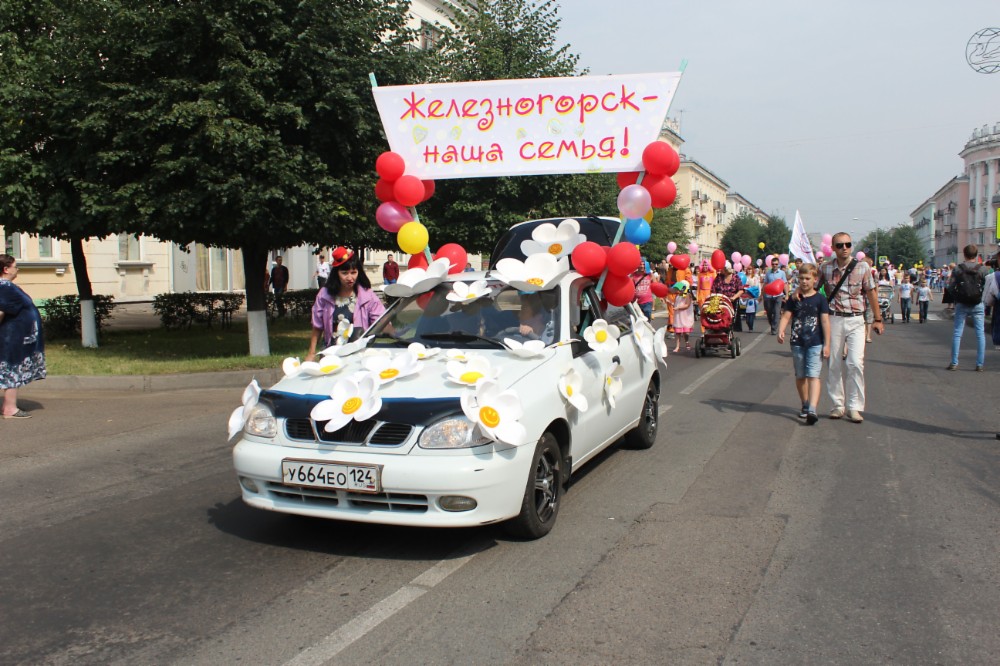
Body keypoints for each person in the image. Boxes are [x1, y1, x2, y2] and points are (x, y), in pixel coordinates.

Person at [819, 232, 882, 423]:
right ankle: (838, 405)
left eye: (847, 244)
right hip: (834, 319)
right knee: (834, 364)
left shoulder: (863, 267)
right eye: (839, 245)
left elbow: (871, 293)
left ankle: (854, 407)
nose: (844, 248)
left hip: (856, 320)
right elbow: (813, 288)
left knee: (855, 363)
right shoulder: (825, 268)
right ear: (833, 248)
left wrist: (878, 319)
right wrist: (797, 293)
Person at [305, 247, 385, 361]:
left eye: (353, 272)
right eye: (344, 273)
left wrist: (397, 333)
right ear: (336, 273)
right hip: (331, 355)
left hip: (359, 355)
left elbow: (381, 320)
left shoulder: (367, 295)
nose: (350, 278)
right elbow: (317, 326)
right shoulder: (324, 295)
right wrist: (311, 353)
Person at [777, 263, 831, 425]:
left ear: (815, 280)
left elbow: (825, 321)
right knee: (800, 376)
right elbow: (787, 316)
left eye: (808, 278)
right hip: (797, 342)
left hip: (815, 343)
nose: (804, 281)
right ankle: (805, 404)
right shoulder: (795, 298)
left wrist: (827, 344)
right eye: (801, 278)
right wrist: (781, 330)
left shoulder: (820, 299)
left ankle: (813, 409)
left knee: (813, 375)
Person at [0, 254, 46, 418]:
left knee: (11, 371)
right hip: (11, 339)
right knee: (13, 371)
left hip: (16, 338)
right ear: (6, 269)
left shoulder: (7, 286)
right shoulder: (4, 287)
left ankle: (8, 406)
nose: (17, 269)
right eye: (15, 266)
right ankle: (10, 409)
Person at [946, 244, 989, 371]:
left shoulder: (958, 269)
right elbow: (987, 287)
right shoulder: (982, 269)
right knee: (980, 334)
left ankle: (954, 362)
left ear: (964, 254)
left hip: (961, 304)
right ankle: (979, 364)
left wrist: (958, 297)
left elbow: (950, 287)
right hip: (978, 304)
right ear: (976, 255)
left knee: (957, 333)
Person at [763, 257, 788, 335]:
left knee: (777, 312)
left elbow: (785, 284)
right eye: (773, 264)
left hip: (778, 295)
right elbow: (765, 284)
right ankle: (772, 323)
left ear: (778, 264)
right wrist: (761, 295)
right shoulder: (768, 273)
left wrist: (787, 294)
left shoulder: (782, 273)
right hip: (768, 296)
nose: (774, 265)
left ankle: (774, 329)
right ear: (771, 264)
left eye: (776, 264)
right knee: (769, 312)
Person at [670, 280, 694, 352]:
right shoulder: (678, 295)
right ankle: (677, 346)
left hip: (685, 316)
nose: (680, 289)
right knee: (678, 332)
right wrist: (670, 302)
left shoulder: (687, 295)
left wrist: (678, 308)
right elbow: (676, 304)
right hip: (679, 316)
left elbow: (687, 305)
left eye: (681, 288)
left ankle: (687, 342)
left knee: (686, 332)